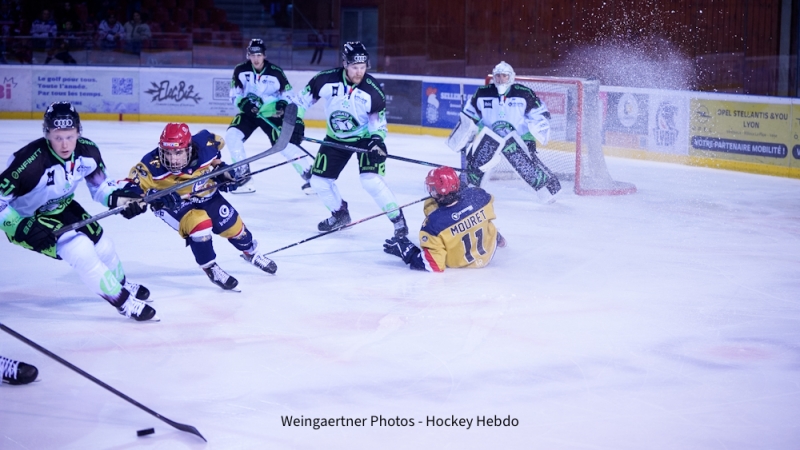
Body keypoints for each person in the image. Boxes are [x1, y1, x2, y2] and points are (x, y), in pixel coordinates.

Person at [0, 102, 156, 321]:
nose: (65, 144)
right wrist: (20, 227)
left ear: (78, 132)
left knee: (104, 246)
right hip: (28, 219)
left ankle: (121, 284)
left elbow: (101, 187)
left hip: (62, 206)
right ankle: (124, 302)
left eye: (70, 136)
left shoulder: (87, 151)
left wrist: (122, 200)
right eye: (58, 137)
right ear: (47, 134)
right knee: (80, 250)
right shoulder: (28, 163)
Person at [111, 123, 278, 290]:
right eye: (167, 152)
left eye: (178, 152)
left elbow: (216, 155)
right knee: (200, 224)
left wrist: (222, 170)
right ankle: (210, 267)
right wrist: (149, 197)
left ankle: (251, 253)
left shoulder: (205, 142)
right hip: (173, 204)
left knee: (232, 226)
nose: (173, 159)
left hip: (205, 192)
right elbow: (129, 186)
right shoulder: (150, 165)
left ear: (189, 148)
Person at [292, 41, 408, 238]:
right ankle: (340, 215)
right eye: (355, 67)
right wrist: (296, 122)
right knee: (319, 181)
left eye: (362, 67)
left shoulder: (373, 91)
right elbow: (300, 102)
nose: (359, 72)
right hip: (335, 139)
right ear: (345, 64)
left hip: (364, 139)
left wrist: (377, 141)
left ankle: (398, 221)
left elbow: (378, 124)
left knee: (371, 181)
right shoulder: (325, 80)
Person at [447, 61, 561, 203]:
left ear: (511, 77)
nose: (501, 79)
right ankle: (468, 188)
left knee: (526, 165)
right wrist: (463, 134)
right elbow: (470, 117)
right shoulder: (482, 93)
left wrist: (539, 124)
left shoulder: (523, 92)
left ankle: (548, 189)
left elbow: (540, 112)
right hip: (491, 138)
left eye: (504, 76)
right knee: (477, 163)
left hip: (520, 138)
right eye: (498, 76)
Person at [225, 38, 311, 194]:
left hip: (271, 114)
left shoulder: (276, 72)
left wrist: (282, 104)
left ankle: (310, 176)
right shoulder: (240, 70)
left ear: (264, 55)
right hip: (249, 113)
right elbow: (234, 94)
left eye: (259, 55)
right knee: (232, 136)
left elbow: (288, 94)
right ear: (248, 55)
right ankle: (243, 176)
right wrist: (243, 103)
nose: (256, 59)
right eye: (253, 55)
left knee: (285, 144)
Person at [383, 166, 504, 271]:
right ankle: (497, 238)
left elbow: (434, 265)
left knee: (430, 205)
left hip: (464, 266)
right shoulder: (478, 195)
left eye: (432, 188)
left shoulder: (433, 224)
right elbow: (474, 203)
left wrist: (409, 253)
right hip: (489, 252)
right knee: (483, 219)